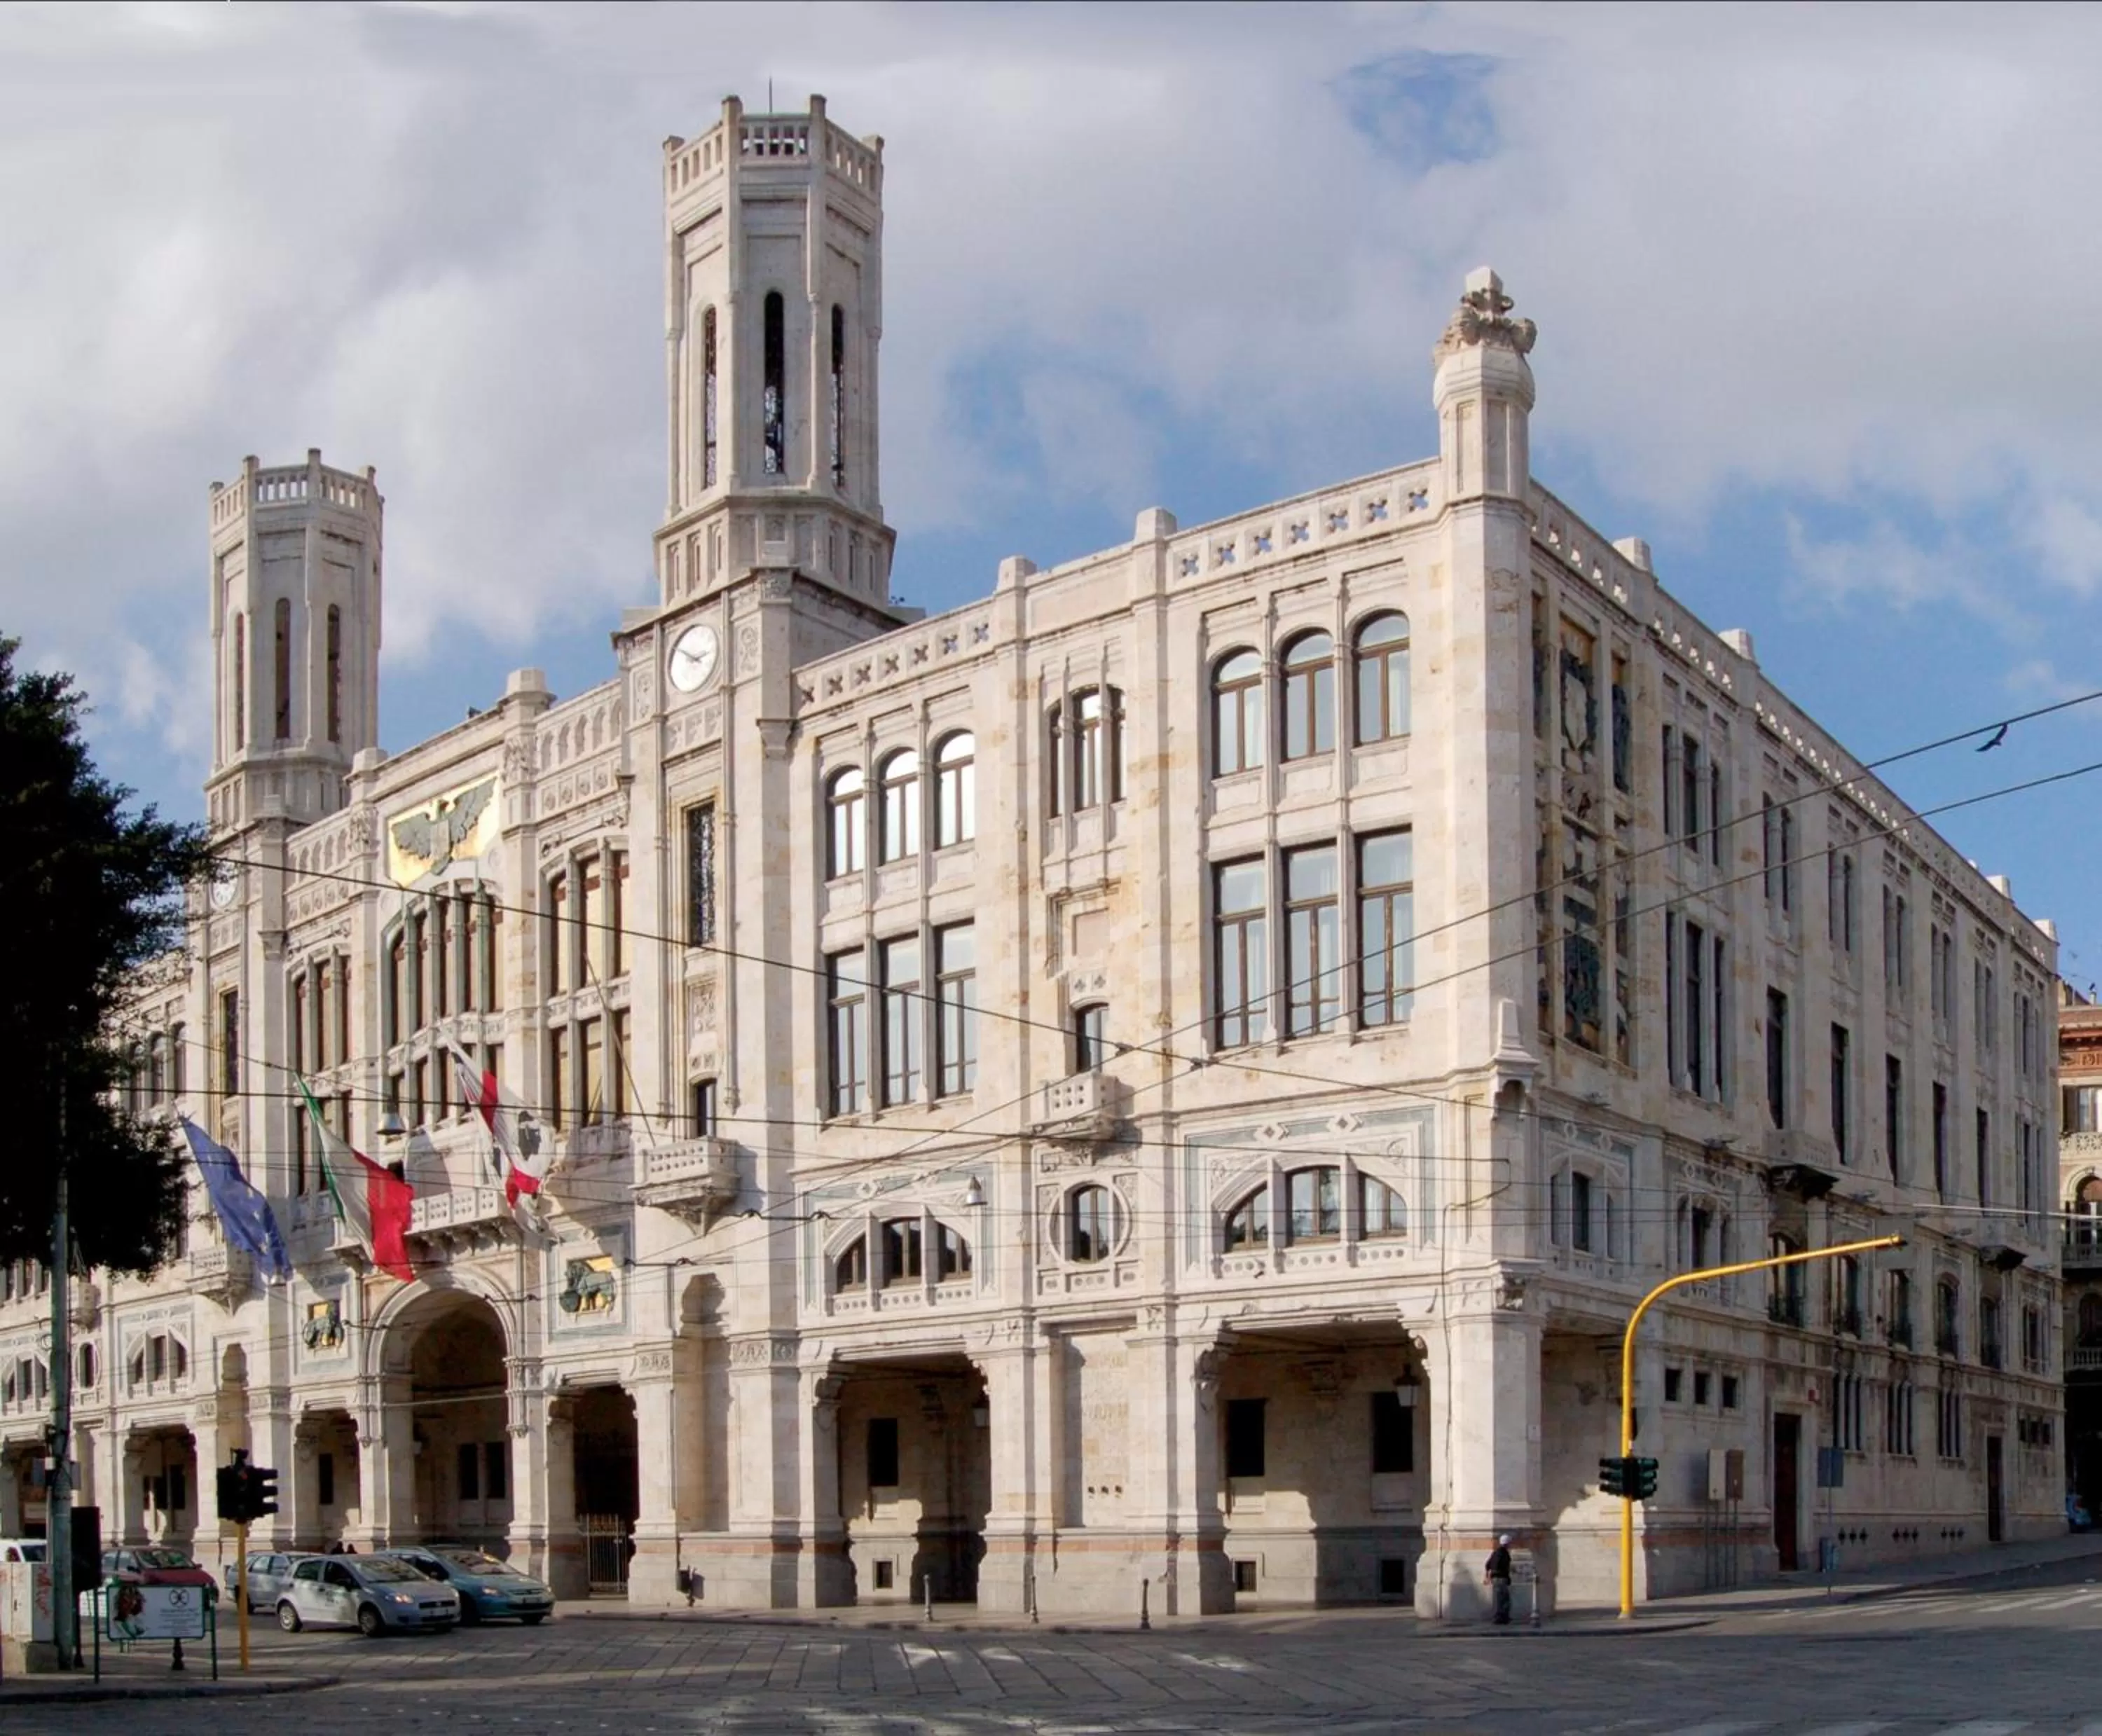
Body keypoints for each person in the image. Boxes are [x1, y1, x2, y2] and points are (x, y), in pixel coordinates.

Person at [1484, 1533, 1514, 1625]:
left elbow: (1488, 1565)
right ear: (1507, 1543)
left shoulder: (1496, 1552)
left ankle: (1501, 1617)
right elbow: (1503, 1567)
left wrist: (1488, 1576)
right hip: (1501, 1578)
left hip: (1496, 1578)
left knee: (1500, 1598)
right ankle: (1502, 1618)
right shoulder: (1503, 1553)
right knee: (1504, 1599)